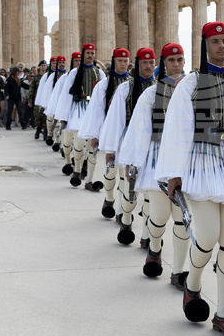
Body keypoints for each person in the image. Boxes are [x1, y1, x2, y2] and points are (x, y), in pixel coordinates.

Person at [157, 21, 224, 336]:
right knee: (208, 236)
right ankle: (193, 283)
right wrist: (174, 173)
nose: (222, 46)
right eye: (215, 41)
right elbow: (176, 128)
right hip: (200, 165)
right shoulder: (190, 84)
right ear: (205, 45)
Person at [119, 43, 190, 284]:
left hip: (184, 162)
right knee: (159, 216)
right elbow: (140, 130)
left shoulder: (195, 90)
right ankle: (155, 249)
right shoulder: (151, 94)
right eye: (172, 60)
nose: (177, 64)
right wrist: (133, 161)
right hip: (158, 159)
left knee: (183, 220)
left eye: (180, 60)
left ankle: (179, 271)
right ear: (164, 63)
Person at [101, 48, 157, 240]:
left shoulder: (161, 88)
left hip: (153, 145)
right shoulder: (125, 88)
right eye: (145, 63)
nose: (149, 67)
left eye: (152, 63)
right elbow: (115, 119)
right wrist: (111, 149)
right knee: (130, 186)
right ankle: (126, 219)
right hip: (130, 141)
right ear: (137, 64)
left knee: (151, 191)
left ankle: (147, 236)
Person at [78, 48, 131, 210]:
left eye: (125, 60)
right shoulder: (103, 85)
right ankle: (109, 199)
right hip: (110, 131)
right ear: (114, 61)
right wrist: (95, 135)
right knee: (111, 170)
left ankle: (123, 211)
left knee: (125, 175)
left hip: (128, 133)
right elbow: (97, 111)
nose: (123, 64)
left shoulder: (133, 84)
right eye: (120, 60)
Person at [51, 46, 104, 185]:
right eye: (88, 53)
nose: (90, 56)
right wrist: (64, 116)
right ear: (83, 54)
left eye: (92, 53)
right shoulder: (74, 73)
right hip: (78, 110)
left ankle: (90, 179)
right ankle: (77, 170)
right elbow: (66, 96)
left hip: (93, 111)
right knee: (79, 144)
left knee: (92, 147)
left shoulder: (100, 74)